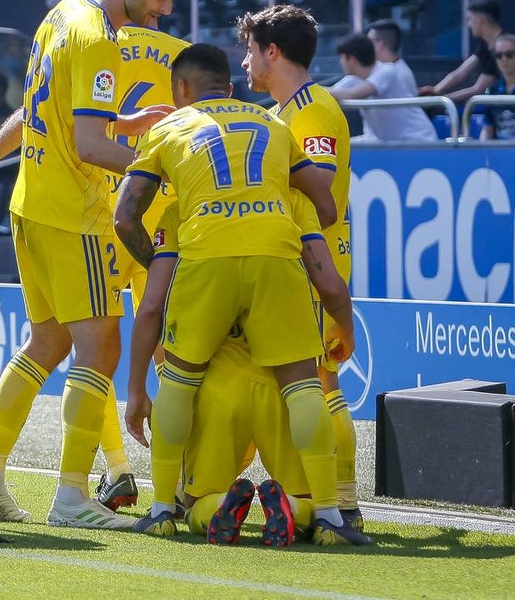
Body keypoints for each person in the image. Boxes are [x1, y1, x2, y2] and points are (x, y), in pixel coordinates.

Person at [0, 0, 195, 529]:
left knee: (48, 343)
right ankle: (72, 498)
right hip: (75, 215)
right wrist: (163, 175)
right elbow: (88, 146)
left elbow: (42, 107)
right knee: (100, 348)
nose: (165, 11)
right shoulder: (98, 39)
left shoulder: (62, 13)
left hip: (29, 203)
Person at [115, 43, 365, 546]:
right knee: (305, 387)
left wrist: (166, 262)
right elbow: (323, 205)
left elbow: (126, 216)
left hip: (205, 256)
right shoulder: (275, 126)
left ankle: (164, 507)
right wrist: (343, 324)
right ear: (229, 87)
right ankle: (333, 518)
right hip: (275, 252)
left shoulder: (168, 131)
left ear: (181, 90)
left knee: (181, 383)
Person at [132, 192, 356, 546]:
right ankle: (321, 513)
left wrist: (134, 388)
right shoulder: (293, 203)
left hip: (217, 391)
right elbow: (328, 279)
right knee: (317, 404)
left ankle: (176, 508)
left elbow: (151, 307)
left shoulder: (183, 208)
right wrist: (345, 325)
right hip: (283, 390)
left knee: (195, 503)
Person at [235, 4, 364, 534]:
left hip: (315, 264)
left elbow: (322, 188)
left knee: (321, 381)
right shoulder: (288, 111)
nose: (244, 63)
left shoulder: (312, 109)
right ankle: (325, 498)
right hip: (296, 261)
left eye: (249, 50)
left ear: (272, 51)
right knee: (310, 381)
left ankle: (343, 503)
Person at [328, 27, 437, 142]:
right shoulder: (353, 78)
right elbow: (332, 92)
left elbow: (353, 94)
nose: (340, 62)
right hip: (386, 141)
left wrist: (314, 88)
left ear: (352, 59)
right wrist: (315, 90)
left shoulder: (386, 71)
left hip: (418, 140)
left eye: (341, 57)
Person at [420, 0, 504, 103]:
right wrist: (435, 89)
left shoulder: (503, 49)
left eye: (469, 19)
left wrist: (440, 100)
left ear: (480, 19)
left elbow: (478, 89)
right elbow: (460, 72)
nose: (469, 24)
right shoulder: (486, 43)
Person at [479, 33, 515, 140]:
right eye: (499, 55)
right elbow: (487, 129)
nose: (504, 59)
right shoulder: (492, 90)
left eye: (509, 54)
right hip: (499, 153)